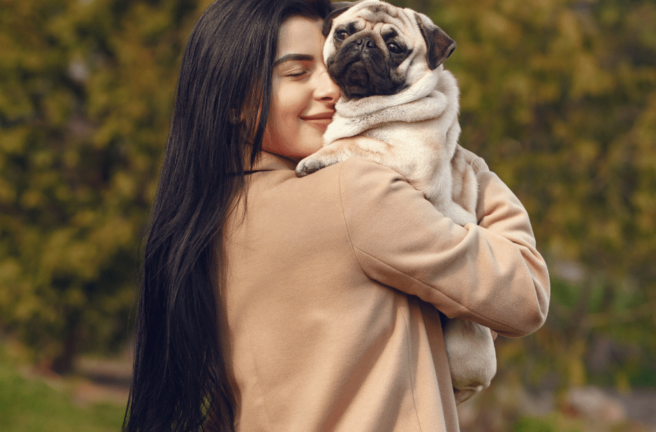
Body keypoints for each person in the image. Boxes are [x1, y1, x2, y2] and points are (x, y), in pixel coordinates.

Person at [123, 0, 550, 431]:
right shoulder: (355, 192)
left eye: (327, 66)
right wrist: (453, 156)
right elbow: (526, 293)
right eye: (297, 72)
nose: (331, 88)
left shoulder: (212, 215)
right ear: (233, 101)